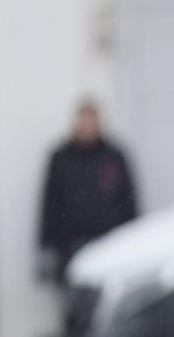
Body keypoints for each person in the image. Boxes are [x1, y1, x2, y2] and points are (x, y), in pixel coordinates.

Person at [37, 101, 137, 283]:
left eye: (91, 121)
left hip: (110, 246)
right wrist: (46, 247)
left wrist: (134, 242)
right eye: (83, 121)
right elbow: (50, 205)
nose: (86, 126)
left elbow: (128, 202)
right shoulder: (62, 158)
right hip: (70, 248)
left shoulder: (113, 156)